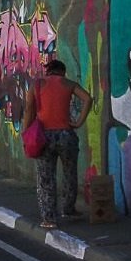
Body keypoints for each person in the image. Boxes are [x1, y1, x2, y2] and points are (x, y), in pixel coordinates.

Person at [22, 59, 94, 229]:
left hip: (44, 136)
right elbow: (88, 99)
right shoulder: (68, 84)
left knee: (46, 178)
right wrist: (78, 122)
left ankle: (49, 218)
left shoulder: (37, 85)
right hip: (66, 134)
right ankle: (68, 209)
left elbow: (29, 110)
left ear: (49, 71)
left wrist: (26, 134)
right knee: (70, 173)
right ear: (62, 71)